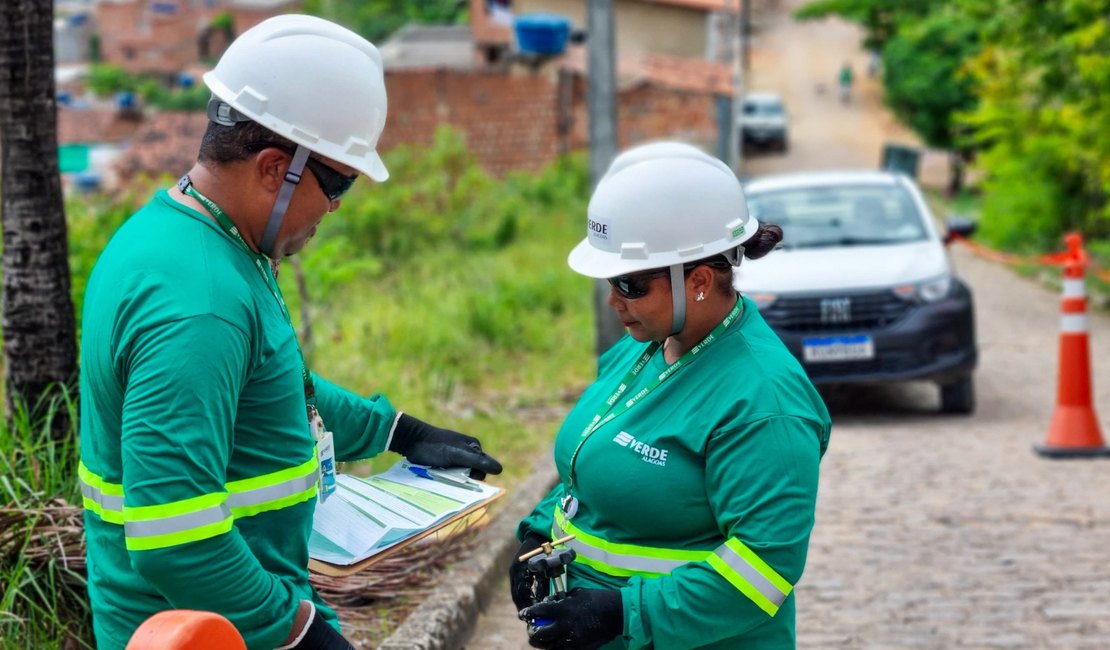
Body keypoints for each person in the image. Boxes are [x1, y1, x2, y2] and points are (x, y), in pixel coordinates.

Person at [78, 15, 502, 650]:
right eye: (339, 183)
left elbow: (271, 384)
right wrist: (300, 633)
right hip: (213, 635)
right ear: (276, 168)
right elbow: (176, 541)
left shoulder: (195, 239)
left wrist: (396, 432)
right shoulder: (200, 305)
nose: (336, 206)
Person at [508, 141, 831, 650]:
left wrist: (624, 613)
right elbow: (591, 461)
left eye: (630, 284)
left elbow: (764, 569)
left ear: (698, 280)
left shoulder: (764, 401)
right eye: (611, 282)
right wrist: (539, 534)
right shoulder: (643, 347)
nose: (613, 301)